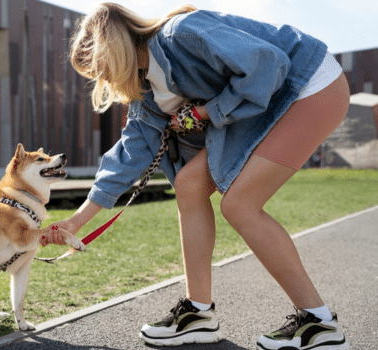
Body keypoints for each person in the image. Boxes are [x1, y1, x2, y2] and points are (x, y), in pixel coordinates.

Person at [41, 2, 350, 349]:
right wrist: (77, 221)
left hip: (309, 84)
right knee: (188, 185)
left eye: (101, 69)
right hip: (271, 100)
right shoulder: (145, 93)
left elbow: (267, 65)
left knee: (240, 206)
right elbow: (129, 154)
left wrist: (205, 111)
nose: (104, 80)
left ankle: (319, 324)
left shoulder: (181, 34)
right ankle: (198, 315)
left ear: (113, 47)